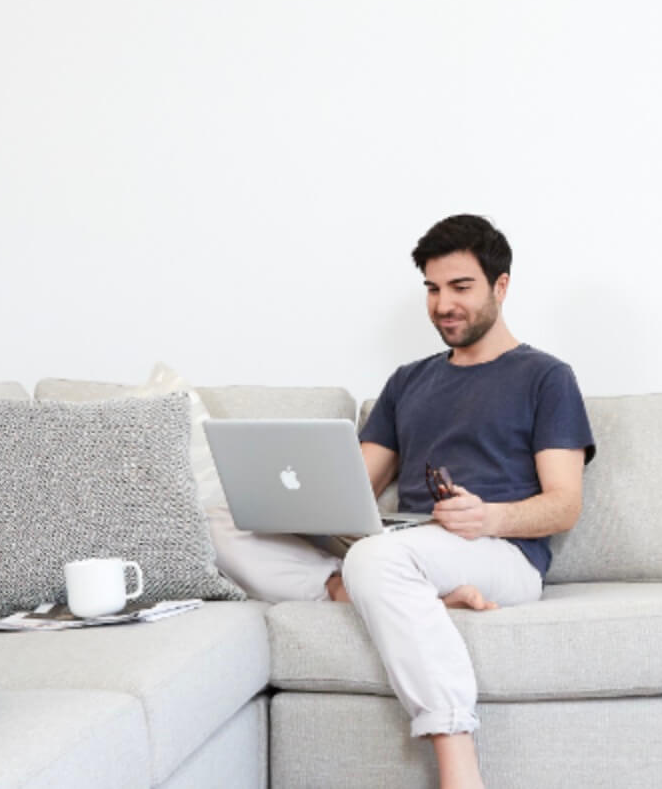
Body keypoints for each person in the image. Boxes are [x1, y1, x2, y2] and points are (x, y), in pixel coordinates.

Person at [210, 214, 594, 789]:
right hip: (404, 539)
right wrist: (294, 499)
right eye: (433, 290)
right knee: (221, 518)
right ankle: (395, 597)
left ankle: (456, 751)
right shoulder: (408, 381)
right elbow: (355, 486)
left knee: (377, 561)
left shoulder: (546, 377)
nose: (444, 305)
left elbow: (563, 505)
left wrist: (490, 515)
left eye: (460, 287)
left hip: (497, 551)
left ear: (501, 286)